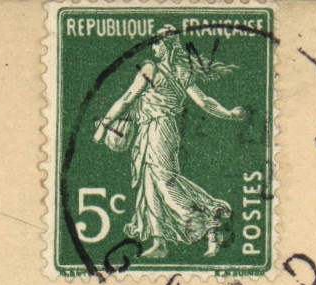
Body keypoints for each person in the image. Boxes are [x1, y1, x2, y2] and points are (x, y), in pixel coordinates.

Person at [93, 34, 247, 259]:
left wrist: (104, 125)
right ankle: (160, 242)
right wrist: (229, 114)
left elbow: (127, 98)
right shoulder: (182, 73)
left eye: (156, 44)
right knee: (150, 187)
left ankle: (209, 217)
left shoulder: (151, 69)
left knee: (165, 182)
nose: (153, 48)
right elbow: (205, 102)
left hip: (159, 130)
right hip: (154, 130)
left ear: (165, 47)